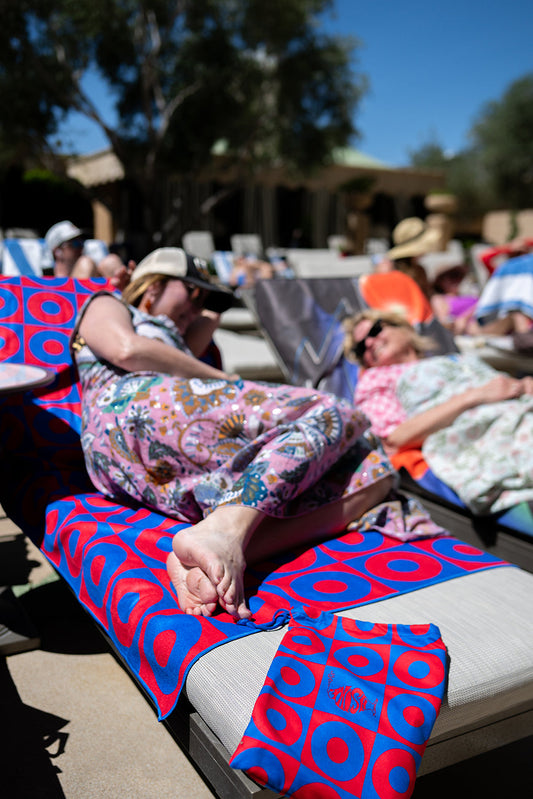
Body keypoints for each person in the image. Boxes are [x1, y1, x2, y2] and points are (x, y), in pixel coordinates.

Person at [68, 247, 432, 621]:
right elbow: (126, 350)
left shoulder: (178, 341)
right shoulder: (110, 304)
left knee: (372, 469)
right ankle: (224, 531)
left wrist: (199, 300)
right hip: (131, 409)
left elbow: (208, 318)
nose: (197, 309)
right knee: (335, 412)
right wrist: (223, 379)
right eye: (193, 293)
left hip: (152, 462)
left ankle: (210, 561)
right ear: (154, 284)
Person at [344, 308, 533, 516]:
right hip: (482, 429)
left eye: (375, 331)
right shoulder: (377, 379)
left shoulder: (454, 358)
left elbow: (501, 387)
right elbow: (393, 439)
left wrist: (522, 385)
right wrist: (475, 396)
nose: (370, 343)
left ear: (404, 328)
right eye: (362, 348)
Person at [45, 220, 134, 288]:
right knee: (85, 263)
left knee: (111, 262)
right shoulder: (46, 283)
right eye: (74, 244)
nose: (81, 247)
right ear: (57, 252)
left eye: (82, 242)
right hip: (71, 306)